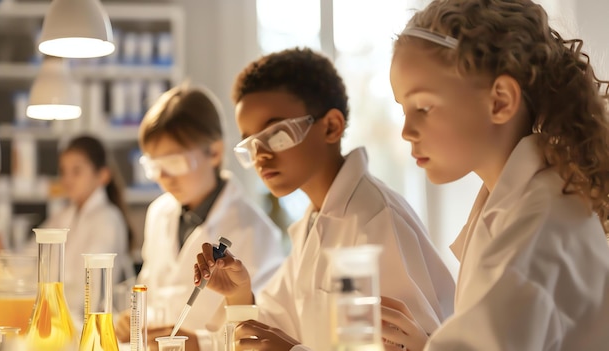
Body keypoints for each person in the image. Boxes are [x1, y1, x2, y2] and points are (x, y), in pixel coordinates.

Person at [192, 47, 455, 351]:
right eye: (250, 145)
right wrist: (239, 295)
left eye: (276, 134)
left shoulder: (375, 219)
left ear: (331, 126)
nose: (261, 154)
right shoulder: (315, 221)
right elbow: (277, 326)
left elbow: (402, 345)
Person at [383, 0, 609, 350]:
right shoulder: (517, 201)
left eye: (423, 107)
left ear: (500, 101)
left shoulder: (542, 222)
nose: (407, 131)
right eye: (404, 110)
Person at [114, 85, 285, 350]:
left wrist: (201, 343)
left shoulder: (255, 230)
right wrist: (133, 319)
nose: (163, 177)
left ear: (214, 152)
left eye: (173, 162)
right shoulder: (159, 213)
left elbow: (267, 327)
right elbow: (151, 289)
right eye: (154, 166)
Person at [42, 135, 135, 323]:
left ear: (102, 175)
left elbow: (93, 289)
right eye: (63, 171)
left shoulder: (108, 219)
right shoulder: (64, 215)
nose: (67, 179)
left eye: (76, 171)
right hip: (61, 318)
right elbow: (34, 255)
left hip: (93, 323)